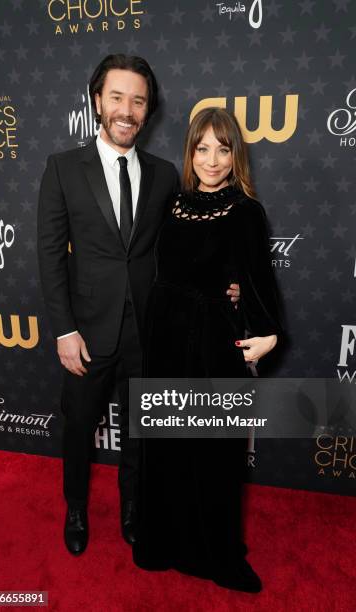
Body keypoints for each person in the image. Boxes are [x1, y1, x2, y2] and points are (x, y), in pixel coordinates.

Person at [37, 54, 240, 555]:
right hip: (86, 333)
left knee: (140, 433)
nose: (127, 110)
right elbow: (49, 255)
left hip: (152, 333)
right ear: (97, 102)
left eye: (139, 100)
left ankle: (134, 509)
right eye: (117, 97)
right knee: (79, 428)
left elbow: (186, 249)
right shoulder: (62, 168)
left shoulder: (166, 174)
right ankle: (77, 511)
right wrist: (64, 330)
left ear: (148, 111)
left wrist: (228, 283)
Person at [132, 107, 284, 592]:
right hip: (164, 343)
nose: (212, 160)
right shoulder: (172, 204)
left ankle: (218, 555)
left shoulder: (245, 211)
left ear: (234, 154)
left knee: (213, 456)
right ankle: (163, 541)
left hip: (211, 346)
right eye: (203, 148)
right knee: (165, 449)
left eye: (223, 149)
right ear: (190, 151)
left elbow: (259, 283)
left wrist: (270, 333)